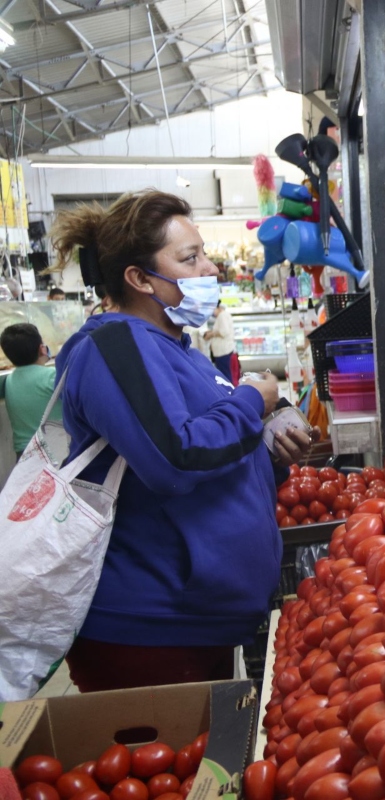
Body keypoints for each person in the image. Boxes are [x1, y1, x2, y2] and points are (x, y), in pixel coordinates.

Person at [49, 190, 313, 692]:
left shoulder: (178, 346)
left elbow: (210, 454)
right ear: (139, 278)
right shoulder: (112, 347)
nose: (210, 268)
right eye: (190, 258)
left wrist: (268, 452)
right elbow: (177, 457)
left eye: (204, 253)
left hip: (200, 621)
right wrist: (251, 402)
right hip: (150, 630)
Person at [0, 323, 61, 456]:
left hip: (23, 454)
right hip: (55, 450)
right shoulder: (52, 376)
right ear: (42, 349)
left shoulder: (10, 381)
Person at [204, 300, 235, 381]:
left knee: (225, 376)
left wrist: (211, 334)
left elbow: (224, 331)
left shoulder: (222, 316)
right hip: (223, 351)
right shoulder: (222, 315)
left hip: (223, 352)